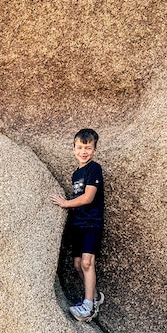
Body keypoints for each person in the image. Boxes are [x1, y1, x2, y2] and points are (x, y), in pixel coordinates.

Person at [51, 128, 104, 321]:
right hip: (78, 224)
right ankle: (96, 297)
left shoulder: (94, 169)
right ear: (74, 149)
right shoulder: (76, 173)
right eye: (80, 147)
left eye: (88, 148)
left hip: (91, 223)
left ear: (94, 150)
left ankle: (88, 306)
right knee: (77, 265)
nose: (84, 151)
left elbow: (88, 197)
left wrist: (65, 203)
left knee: (87, 262)